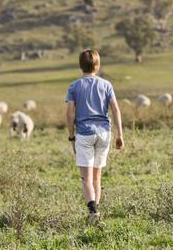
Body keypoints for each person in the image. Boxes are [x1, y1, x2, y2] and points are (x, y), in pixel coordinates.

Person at [66, 49, 124, 223]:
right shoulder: (106, 85)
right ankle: (95, 213)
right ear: (97, 66)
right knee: (97, 177)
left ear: (80, 65)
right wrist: (119, 134)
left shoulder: (74, 86)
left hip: (84, 134)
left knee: (86, 178)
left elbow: (70, 114)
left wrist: (71, 136)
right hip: (104, 133)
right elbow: (115, 109)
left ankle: (93, 210)